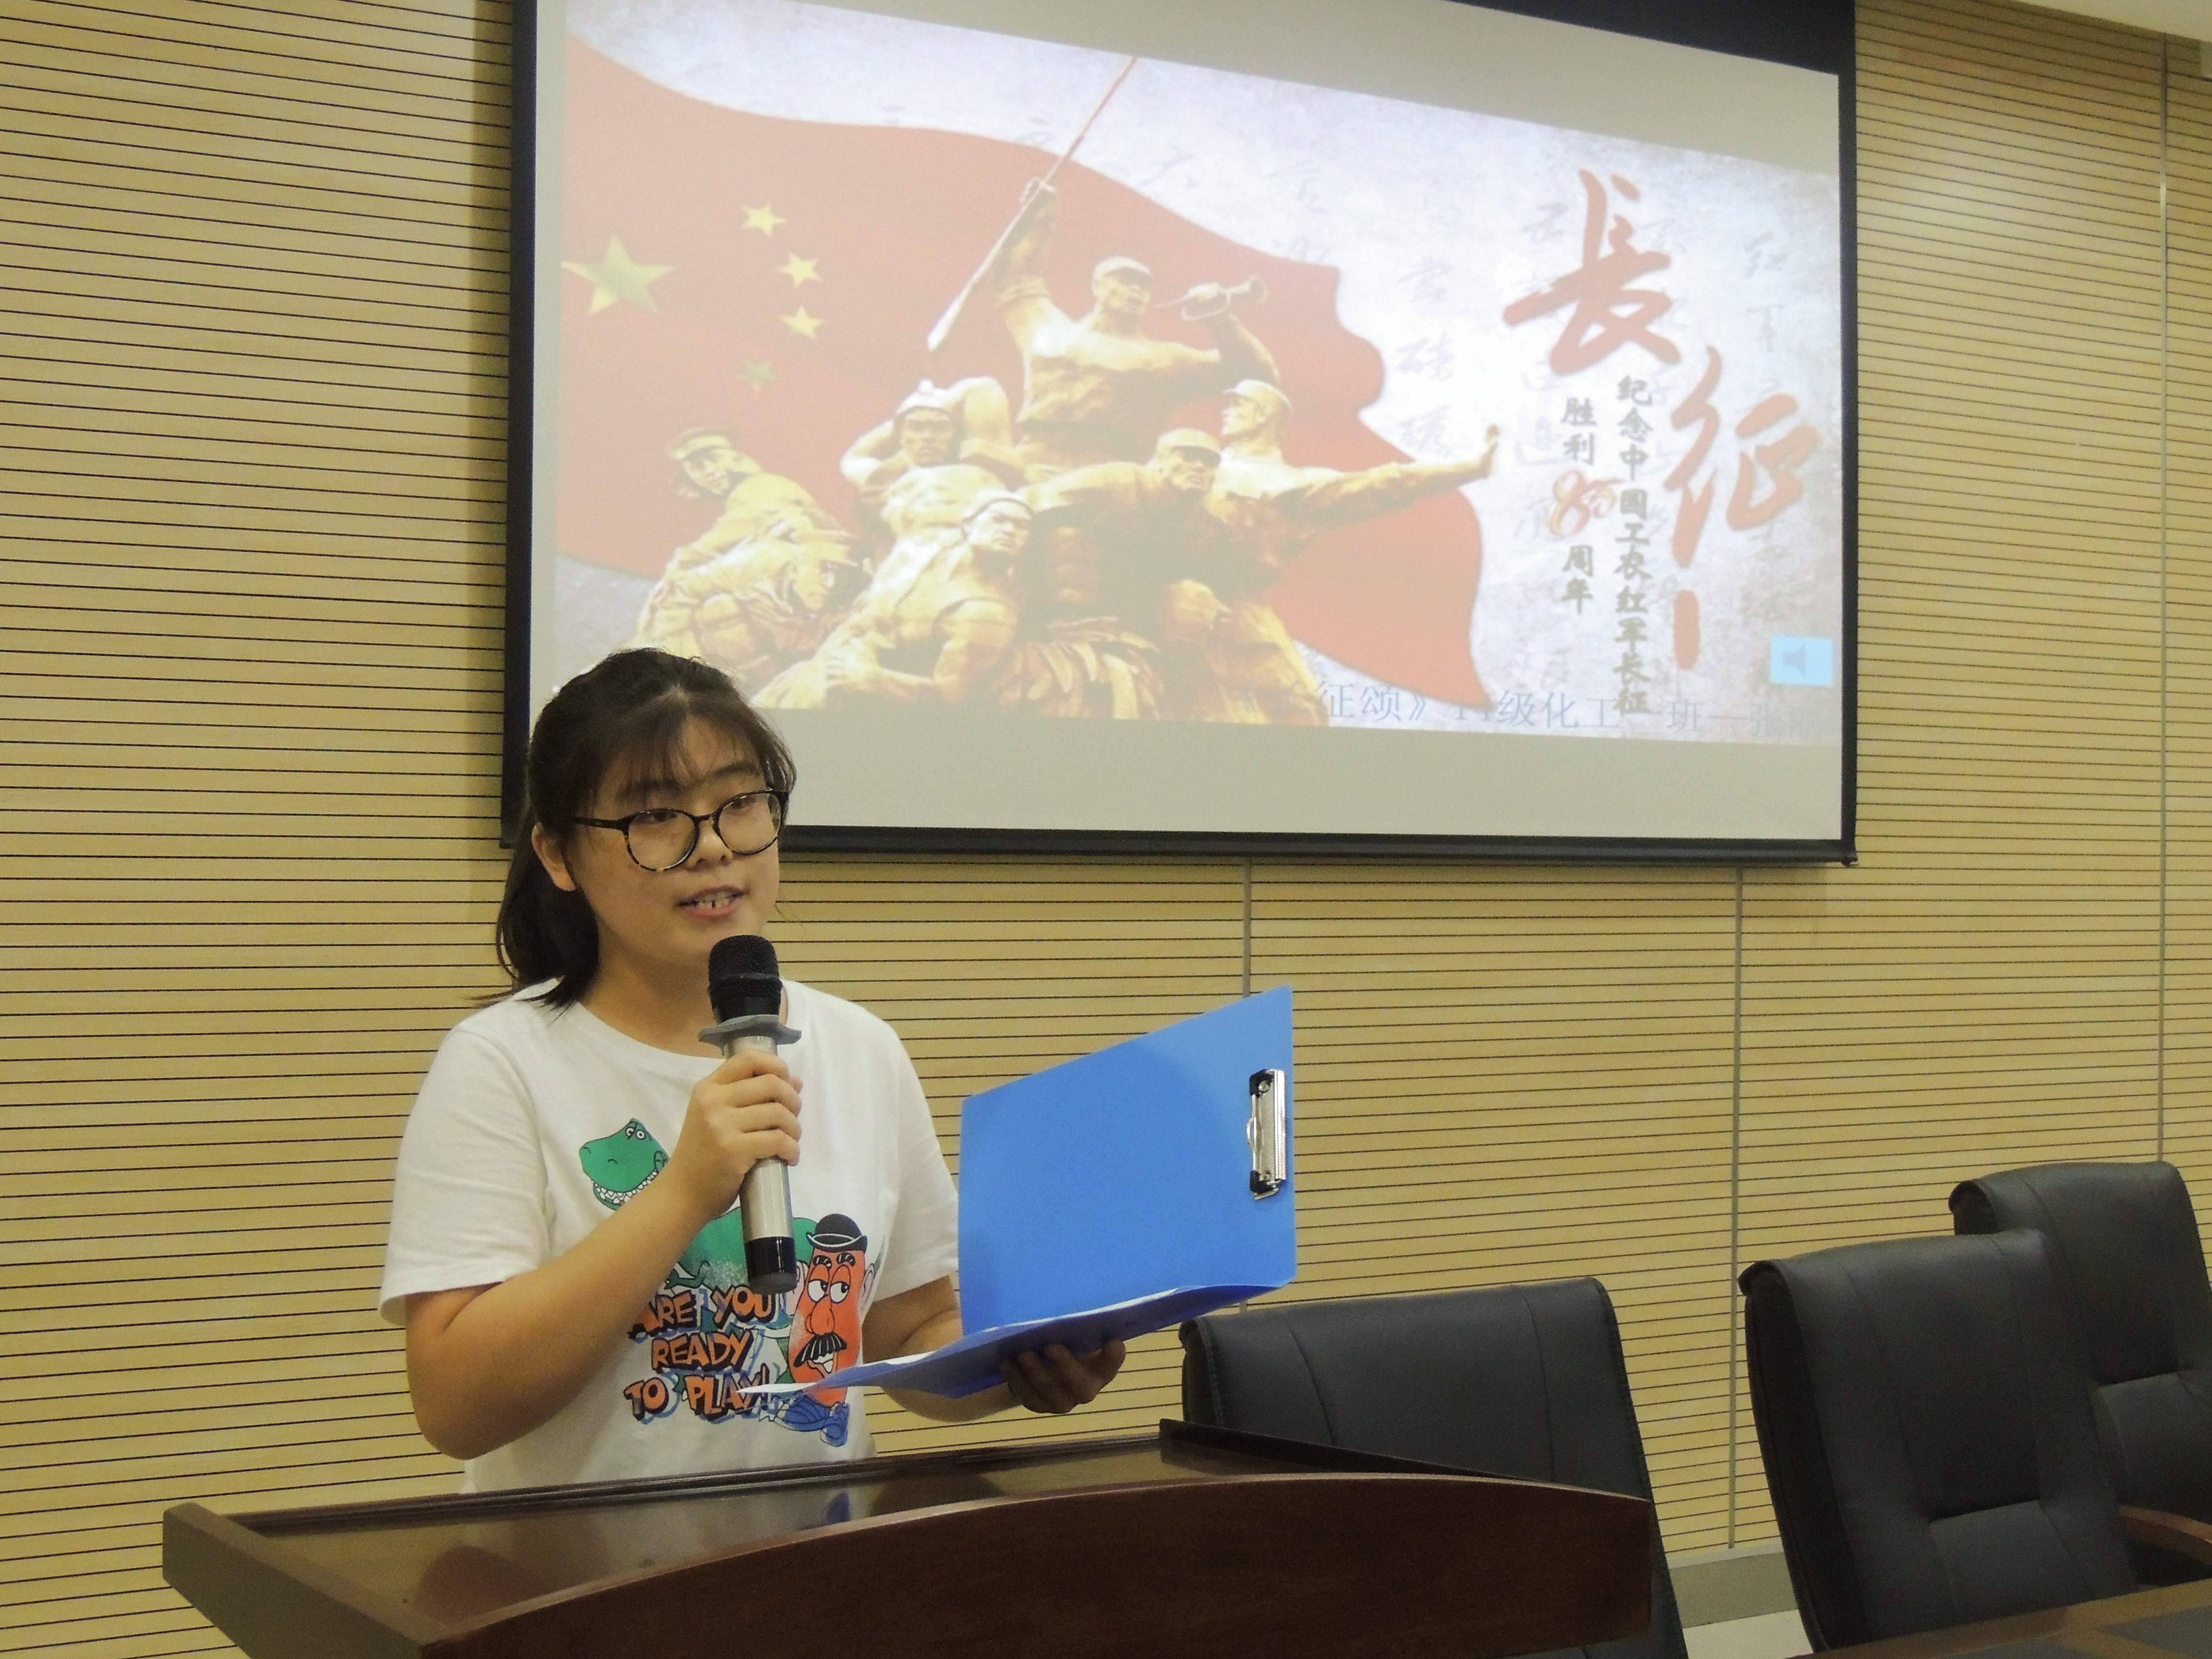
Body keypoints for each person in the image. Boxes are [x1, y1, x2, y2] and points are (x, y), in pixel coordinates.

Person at [379, 649, 1124, 1490]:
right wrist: (683, 1193)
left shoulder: (860, 1047)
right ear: (557, 854)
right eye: (655, 816)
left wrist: (1020, 1365)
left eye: (739, 804)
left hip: (816, 1553)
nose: (712, 848)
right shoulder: (501, 1062)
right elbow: (455, 1406)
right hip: (578, 1566)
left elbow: (910, 1333)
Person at [992, 182, 1277, 476]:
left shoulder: (1163, 359)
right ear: (1098, 286)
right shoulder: (1046, 328)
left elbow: (1256, 375)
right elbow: (1017, 278)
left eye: (1143, 286)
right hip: (1029, 460)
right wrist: (1042, 219)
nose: (1136, 292)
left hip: (1107, 474)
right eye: (1125, 281)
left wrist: (1220, 318)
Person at [755, 494, 1029, 710]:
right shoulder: (924, 549)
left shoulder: (989, 614)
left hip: (866, 704)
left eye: (1022, 526)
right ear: (968, 524)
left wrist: (875, 679)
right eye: (999, 519)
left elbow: (950, 697)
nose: (1009, 530)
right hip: (819, 669)